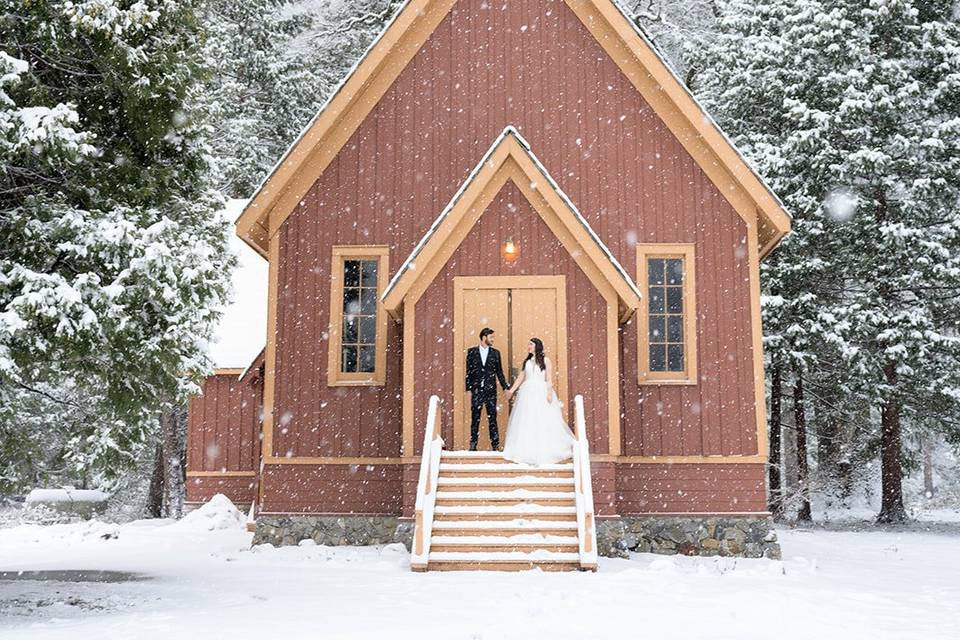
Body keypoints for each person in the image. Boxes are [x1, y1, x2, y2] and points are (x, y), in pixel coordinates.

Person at [502, 338, 576, 466]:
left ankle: (546, 448)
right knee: (527, 420)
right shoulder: (527, 362)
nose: (528, 346)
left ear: (537, 346)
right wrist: (511, 390)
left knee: (542, 419)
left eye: (530, 344)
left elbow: (549, 379)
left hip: (541, 392)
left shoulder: (546, 361)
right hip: (527, 393)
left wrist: (549, 393)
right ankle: (527, 449)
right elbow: (521, 377)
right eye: (528, 344)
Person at [464, 328, 510, 451]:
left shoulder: (495, 353)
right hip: (477, 391)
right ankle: (473, 445)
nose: (493, 339)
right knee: (475, 418)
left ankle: (495, 445)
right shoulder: (472, 352)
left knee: (492, 418)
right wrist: (468, 389)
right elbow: (468, 372)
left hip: (490, 391)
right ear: (484, 337)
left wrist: (505, 387)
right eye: (491, 337)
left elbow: (499, 372)